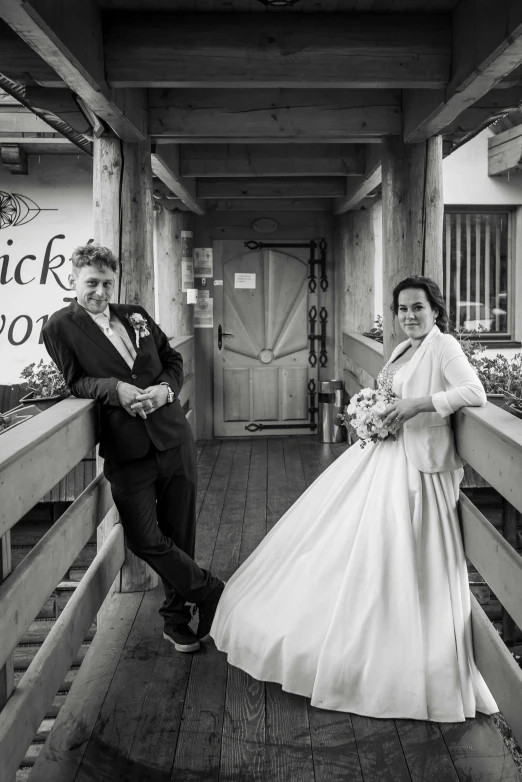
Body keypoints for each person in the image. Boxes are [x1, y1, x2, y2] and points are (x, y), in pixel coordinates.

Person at [211, 275, 498, 721]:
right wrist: (371, 412)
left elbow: (473, 392)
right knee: (346, 541)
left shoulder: (444, 347)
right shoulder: (403, 348)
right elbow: (388, 392)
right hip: (386, 456)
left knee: (402, 550)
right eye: (402, 309)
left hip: (418, 467)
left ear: (435, 310)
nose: (409, 316)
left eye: (417, 308)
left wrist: (416, 405)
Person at [43, 244, 225, 653]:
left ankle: (177, 620)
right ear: (73, 280)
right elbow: (76, 382)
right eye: (91, 283)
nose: (101, 292)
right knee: (143, 537)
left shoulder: (136, 315)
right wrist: (115, 389)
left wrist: (165, 390)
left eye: (108, 283)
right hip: (126, 447)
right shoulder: (60, 327)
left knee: (180, 532)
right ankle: (209, 590)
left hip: (173, 436)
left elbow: (171, 359)